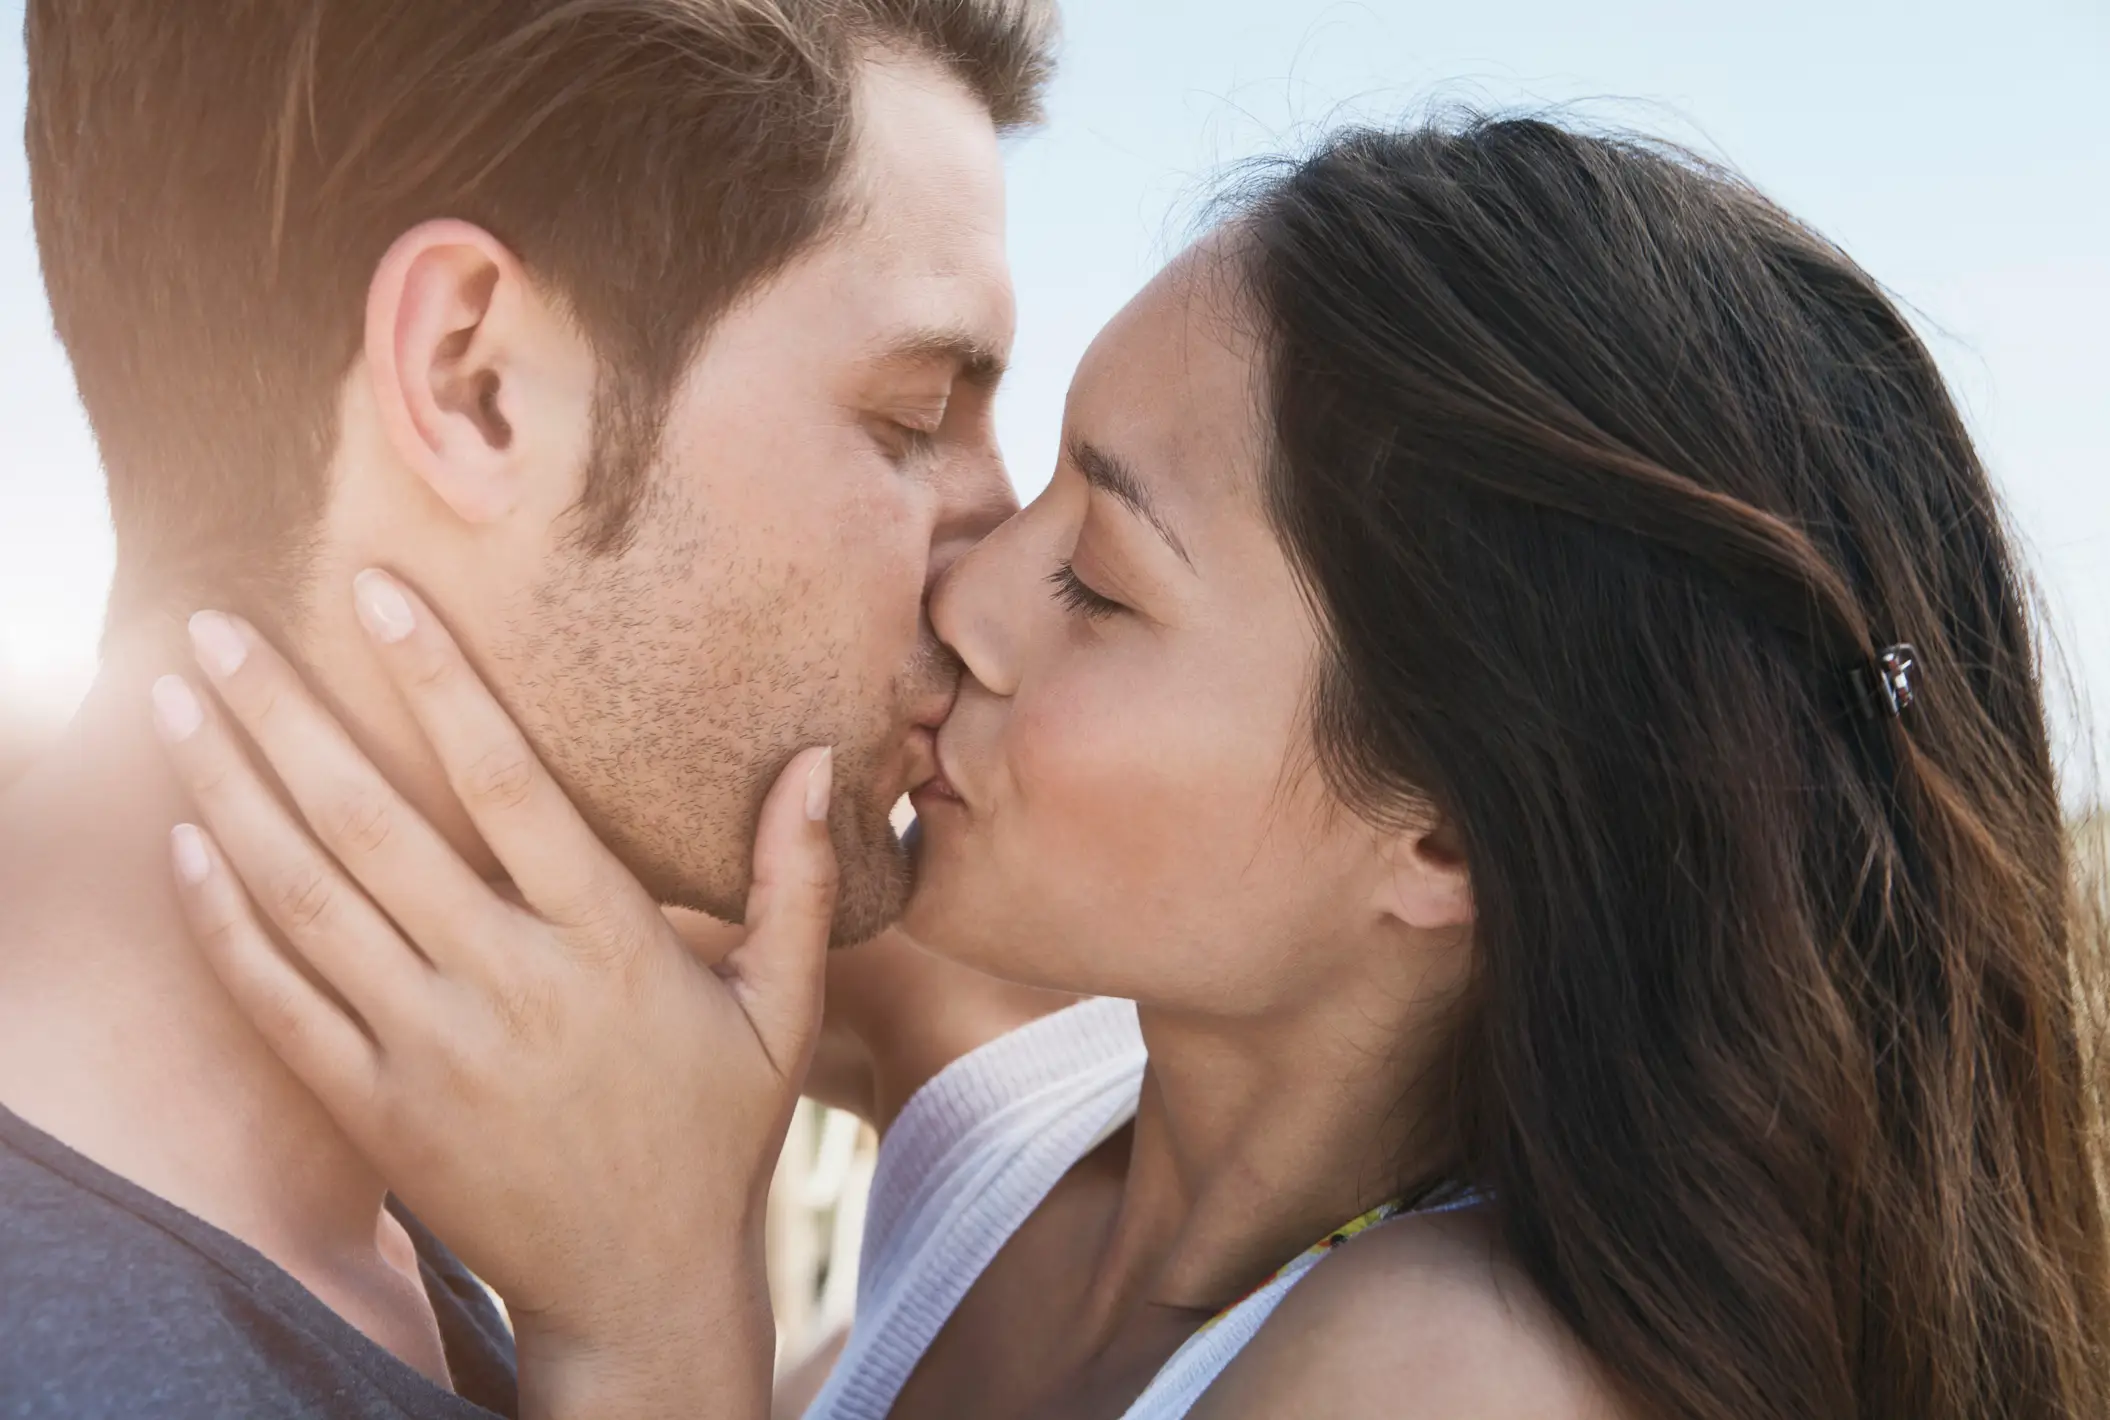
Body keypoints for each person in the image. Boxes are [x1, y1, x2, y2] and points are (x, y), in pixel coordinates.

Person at [163, 115, 2110, 1419]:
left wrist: (654, 1323)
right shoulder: (1023, 1116)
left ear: (1440, 833)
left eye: (1096, 581)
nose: (963, 595)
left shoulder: (1443, 1376)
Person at [0, 1, 1057, 1416]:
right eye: (911, 420)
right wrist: (667, 1337)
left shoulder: (386, 1235)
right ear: (476, 383)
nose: (992, 578)